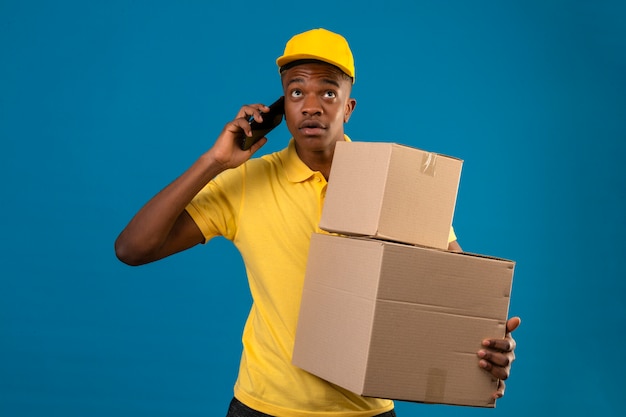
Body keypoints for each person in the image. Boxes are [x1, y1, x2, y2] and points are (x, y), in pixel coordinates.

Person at [115, 28, 521, 417]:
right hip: (264, 408)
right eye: (296, 92)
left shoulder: (397, 181)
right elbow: (133, 249)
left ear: (348, 106)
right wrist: (214, 162)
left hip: (368, 410)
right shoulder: (245, 182)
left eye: (328, 91)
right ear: (283, 109)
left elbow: (456, 301)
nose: (311, 105)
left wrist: (485, 347)